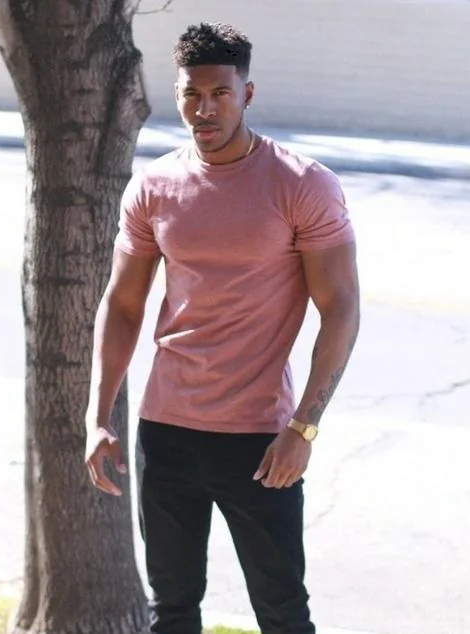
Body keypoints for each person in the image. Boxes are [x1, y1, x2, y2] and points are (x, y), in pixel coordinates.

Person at [85, 21, 360, 634]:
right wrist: (98, 417)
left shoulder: (302, 185)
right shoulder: (155, 185)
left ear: (247, 93)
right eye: (191, 94)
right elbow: (123, 304)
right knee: (172, 610)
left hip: (260, 440)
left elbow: (341, 308)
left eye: (219, 94)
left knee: (282, 614)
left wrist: (304, 428)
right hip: (166, 432)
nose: (203, 109)